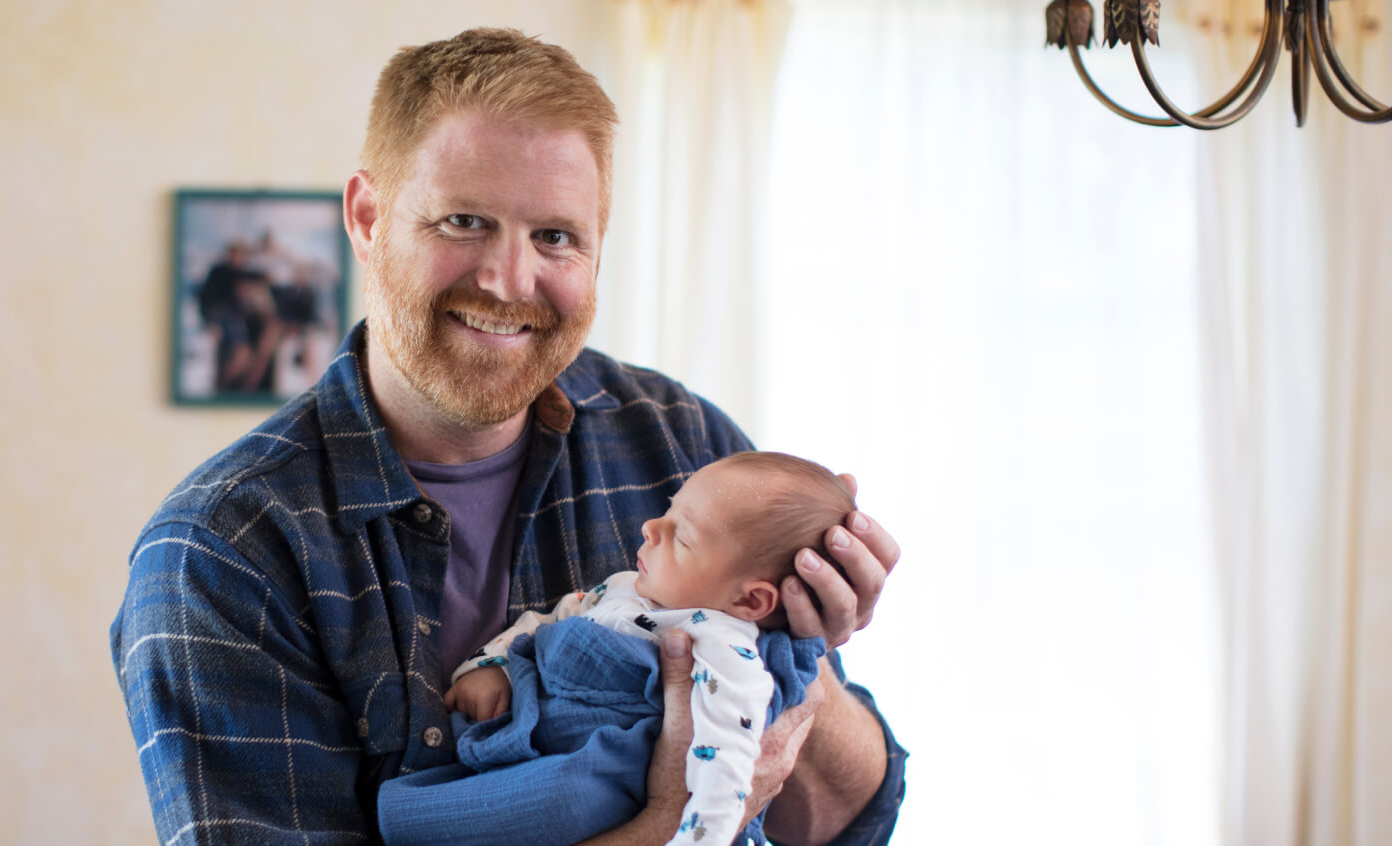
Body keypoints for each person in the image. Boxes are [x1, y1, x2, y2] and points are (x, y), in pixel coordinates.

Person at [111, 27, 907, 846]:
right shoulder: (221, 557)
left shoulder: (686, 443)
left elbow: (848, 822)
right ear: (368, 218)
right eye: (464, 221)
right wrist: (668, 826)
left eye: (555, 236)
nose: (509, 281)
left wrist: (804, 654)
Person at [378, 452, 855, 846]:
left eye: (681, 536)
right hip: (545, 722)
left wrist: (696, 835)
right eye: (668, 510)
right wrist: (494, 665)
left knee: (562, 798)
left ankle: (428, 820)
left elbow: (729, 758)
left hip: (611, 757)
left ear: (750, 600)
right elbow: (552, 618)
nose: (651, 527)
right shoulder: (626, 587)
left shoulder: (729, 648)